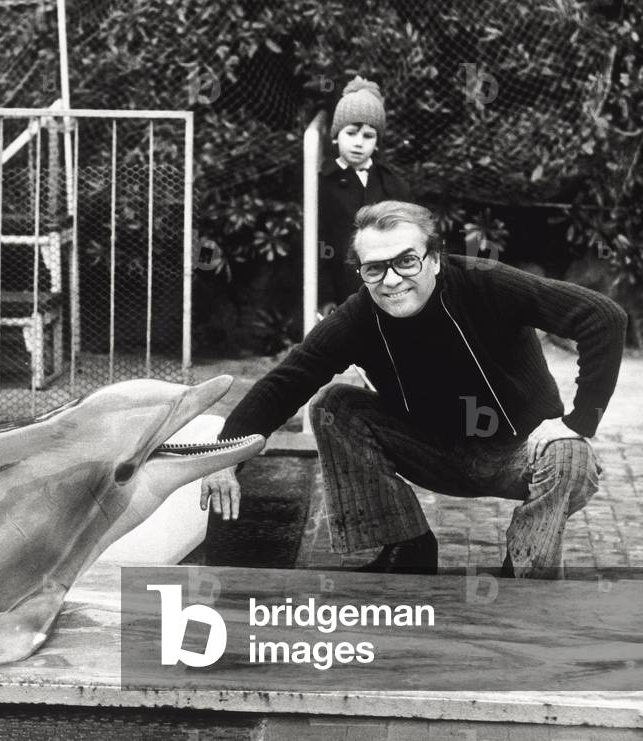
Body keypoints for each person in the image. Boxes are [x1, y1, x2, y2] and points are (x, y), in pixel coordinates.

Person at [202, 200, 626, 578]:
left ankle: (524, 568)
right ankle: (407, 546)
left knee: (573, 453)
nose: (391, 280)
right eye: (374, 268)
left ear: (435, 260)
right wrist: (225, 455)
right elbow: (287, 379)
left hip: (520, 452)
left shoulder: (487, 283)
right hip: (433, 450)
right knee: (334, 405)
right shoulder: (358, 317)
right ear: (362, 273)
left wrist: (579, 420)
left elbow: (603, 317)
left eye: (406, 261)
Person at [318, 76, 410, 317]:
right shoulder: (323, 183)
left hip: (386, 285)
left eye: (368, 136)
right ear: (336, 135)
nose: (358, 143)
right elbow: (317, 241)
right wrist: (324, 296)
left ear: (377, 142)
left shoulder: (391, 183)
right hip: (343, 287)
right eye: (351, 133)